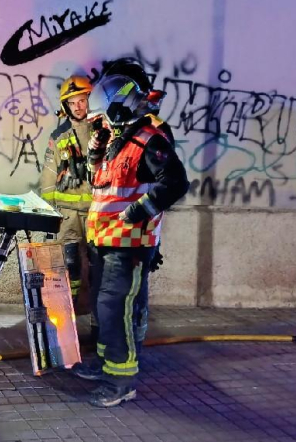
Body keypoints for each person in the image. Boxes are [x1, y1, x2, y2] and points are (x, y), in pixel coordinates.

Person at [72, 64, 190, 408]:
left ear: (118, 108)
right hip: (107, 242)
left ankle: (120, 382)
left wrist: (139, 212)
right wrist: (96, 151)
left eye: (104, 117)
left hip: (130, 245)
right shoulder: (118, 140)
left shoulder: (149, 139)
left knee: (116, 309)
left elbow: (176, 183)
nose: (102, 123)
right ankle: (106, 364)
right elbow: (103, 184)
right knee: (105, 308)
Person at [39, 76, 95, 308]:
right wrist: (48, 215)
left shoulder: (102, 131)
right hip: (67, 215)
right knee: (69, 263)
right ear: (66, 106)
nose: (78, 107)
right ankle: (67, 309)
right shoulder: (59, 136)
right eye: (72, 103)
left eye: (81, 100)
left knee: (97, 265)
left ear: (89, 101)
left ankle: (97, 317)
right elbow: (49, 175)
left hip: (96, 213)